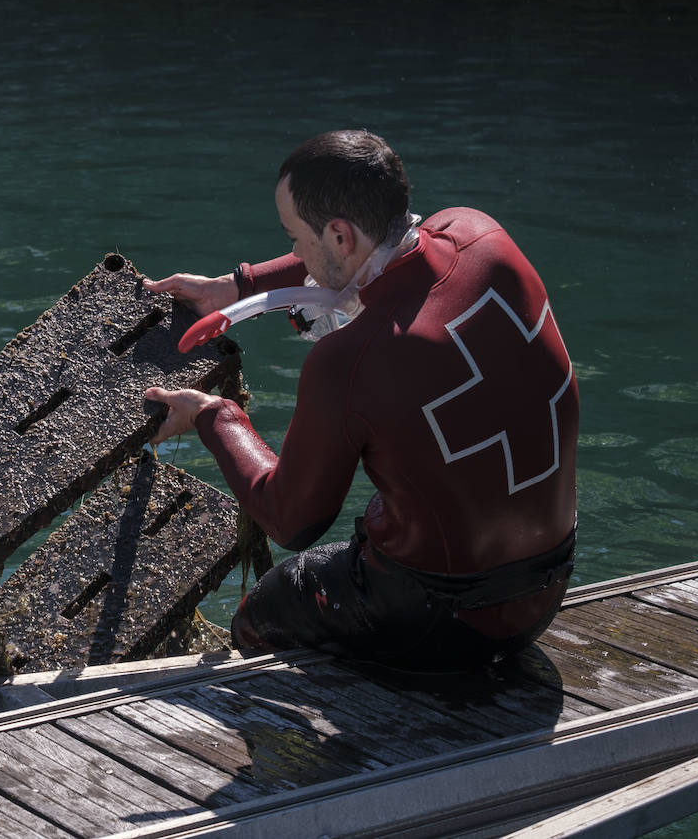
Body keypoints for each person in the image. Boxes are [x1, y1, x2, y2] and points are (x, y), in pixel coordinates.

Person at [143, 129, 578, 671]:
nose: (295, 252)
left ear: (340, 236)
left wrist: (212, 415)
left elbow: (292, 518)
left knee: (266, 610)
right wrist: (237, 286)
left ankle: (351, 739)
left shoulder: (351, 358)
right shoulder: (480, 234)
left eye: (295, 237)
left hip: (444, 619)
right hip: (548, 586)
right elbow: (360, 264)